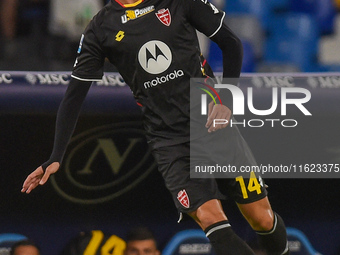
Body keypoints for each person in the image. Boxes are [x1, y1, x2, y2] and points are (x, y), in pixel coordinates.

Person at [21, 0, 290, 254]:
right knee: (211, 218)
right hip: (167, 138)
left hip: (211, 123)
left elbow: (231, 43)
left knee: (261, 219)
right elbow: (75, 93)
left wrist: (227, 100)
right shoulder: (101, 27)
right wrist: (56, 155)